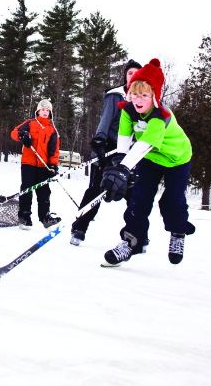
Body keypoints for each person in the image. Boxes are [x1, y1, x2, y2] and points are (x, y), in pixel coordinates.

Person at [100, 59, 194, 266]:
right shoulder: (127, 110)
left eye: (144, 95)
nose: (138, 100)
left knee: (172, 200)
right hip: (150, 160)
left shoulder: (161, 116)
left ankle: (178, 232)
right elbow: (124, 142)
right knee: (139, 199)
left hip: (176, 158)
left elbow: (145, 145)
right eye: (134, 94)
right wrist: (117, 166)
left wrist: (124, 169)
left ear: (154, 96)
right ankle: (131, 241)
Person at [70, 59, 142, 246]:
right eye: (129, 73)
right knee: (96, 190)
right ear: (125, 76)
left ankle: (137, 235)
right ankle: (79, 227)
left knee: (133, 195)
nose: (133, 75)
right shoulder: (115, 96)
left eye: (136, 72)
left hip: (130, 154)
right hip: (109, 149)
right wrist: (100, 141)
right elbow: (105, 120)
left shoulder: (143, 99)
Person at [11, 99, 62, 230]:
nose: (45, 112)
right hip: (28, 163)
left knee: (44, 191)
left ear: (50, 113)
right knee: (27, 189)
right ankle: (24, 216)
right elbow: (15, 133)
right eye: (43, 110)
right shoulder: (30, 123)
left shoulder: (52, 130)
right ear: (38, 111)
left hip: (43, 165)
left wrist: (53, 165)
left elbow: (53, 150)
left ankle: (45, 218)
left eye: (47, 110)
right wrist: (23, 136)